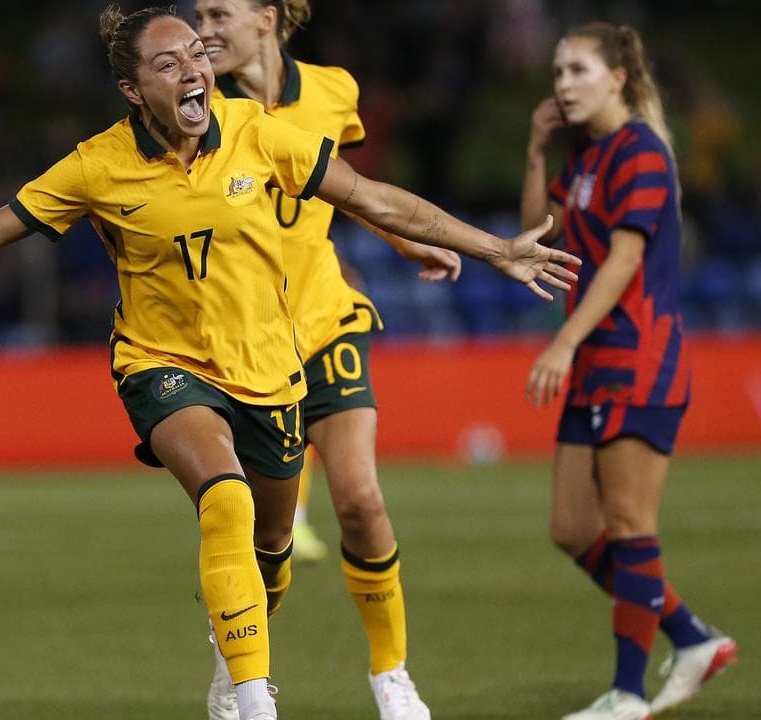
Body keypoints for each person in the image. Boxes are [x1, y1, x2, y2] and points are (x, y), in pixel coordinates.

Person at [0, 7, 576, 719]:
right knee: (225, 499)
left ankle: (237, 652)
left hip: (271, 367)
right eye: (168, 62)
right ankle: (255, 700)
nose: (193, 70)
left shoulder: (258, 134)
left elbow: (373, 198)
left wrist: (496, 247)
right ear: (132, 89)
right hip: (162, 364)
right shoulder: (96, 165)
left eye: (196, 56)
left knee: (272, 546)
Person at [194, 2, 459, 718]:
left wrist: (405, 239)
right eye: (197, 14)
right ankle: (236, 667)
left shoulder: (335, 90)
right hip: (247, 344)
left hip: (326, 322)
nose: (203, 29)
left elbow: (344, 186)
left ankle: (392, 676)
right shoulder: (197, 112)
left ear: (267, 17)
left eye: (218, 12)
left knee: (362, 501)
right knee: (269, 536)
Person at [520, 22, 736, 720]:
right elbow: (537, 237)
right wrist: (535, 151)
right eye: (558, 72)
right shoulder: (586, 156)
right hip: (596, 360)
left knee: (628, 523)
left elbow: (624, 259)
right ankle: (690, 637)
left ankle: (627, 695)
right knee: (571, 527)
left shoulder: (641, 151)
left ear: (618, 78)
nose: (564, 84)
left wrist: (562, 342)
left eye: (578, 70)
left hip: (638, 356)